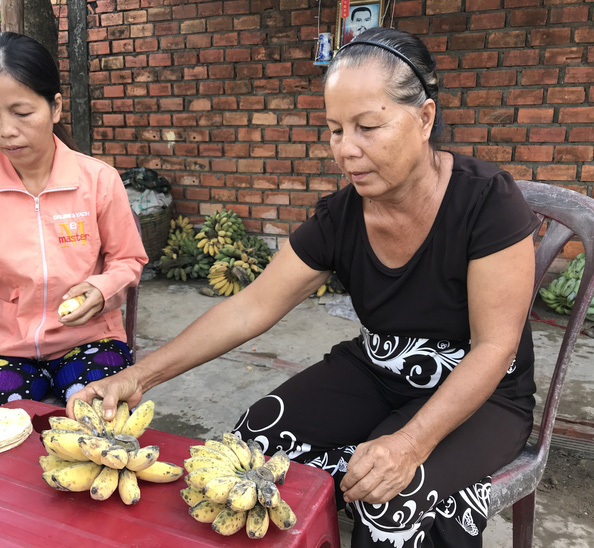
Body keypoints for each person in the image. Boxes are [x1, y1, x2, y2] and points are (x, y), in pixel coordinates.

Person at [68, 27, 539, 547]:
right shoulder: (341, 217)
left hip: (485, 394)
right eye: (335, 130)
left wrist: (409, 442)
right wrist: (141, 377)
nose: (347, 150)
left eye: (367, 126)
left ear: (424, 118)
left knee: (391, 501)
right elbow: (252, 307)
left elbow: (496, 348)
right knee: (255, 447)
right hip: (380, 370)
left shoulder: (486, 203)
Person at [0, 32, 148, 415]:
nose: (6, 130)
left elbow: (128, 260)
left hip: (89, 340)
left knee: (101, 419)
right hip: (3, 348)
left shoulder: (98, 180)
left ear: (55, 107)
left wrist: (101, 289)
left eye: (22, 112)